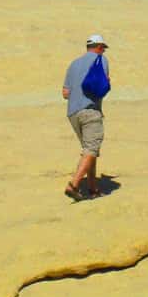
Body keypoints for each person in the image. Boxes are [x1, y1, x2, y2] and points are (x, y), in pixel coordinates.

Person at [61, 34, 110, 199]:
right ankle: (74, 185)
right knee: (91, 148)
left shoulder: (73, 64)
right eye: (103, 48)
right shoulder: (100, 60)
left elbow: (65, 93)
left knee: (89, 150)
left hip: (73, 114)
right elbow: (105, 82)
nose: (103, 51)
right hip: (91, 111)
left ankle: (93, 189)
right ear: (98, 47)